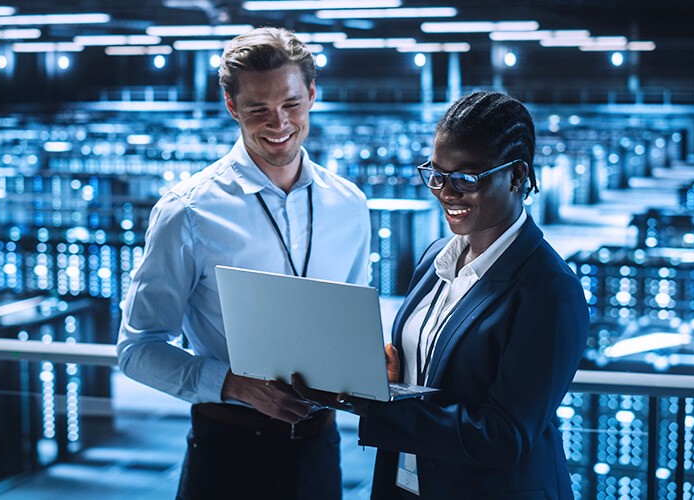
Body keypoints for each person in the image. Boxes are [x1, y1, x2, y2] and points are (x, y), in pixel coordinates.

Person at [294, 91, 588, 499]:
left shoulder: (548, 290)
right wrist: (377, 378)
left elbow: (503, 436)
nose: (446, 192)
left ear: (518, 176)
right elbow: (429, 375)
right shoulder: (436, 257)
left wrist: (374, 408)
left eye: (466, 178)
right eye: (436, 174)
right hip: (408, 483)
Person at [117, 27, 370, 500]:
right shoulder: (188, 211)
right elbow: (137, 349)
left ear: (312, 95)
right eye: (258, 109)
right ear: (233, 107)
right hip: (229, 452)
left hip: (322, 450)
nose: (279, 123)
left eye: (292, 104)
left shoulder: (350, 205)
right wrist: (234, 384)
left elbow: (351, 327)